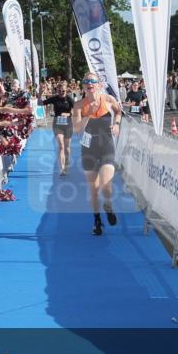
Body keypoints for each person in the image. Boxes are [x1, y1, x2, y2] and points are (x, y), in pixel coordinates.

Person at [72, 72, 123, 236]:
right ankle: (97, 220)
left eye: (93, 81)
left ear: (99, 85)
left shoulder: (108, 100)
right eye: (86, 81)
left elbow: (119, 112)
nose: (89, 83)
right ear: (83, 86)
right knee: (93, 189)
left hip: (106, 146)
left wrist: (116, 124)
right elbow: (77, 129)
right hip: (89, 149)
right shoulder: (79, 105)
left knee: (106, 184)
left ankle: (108, 206)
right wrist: (88, 113)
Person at [43, 81, 74, 176]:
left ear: (66, 90)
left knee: (67, 148)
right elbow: (41, 103)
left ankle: (67, 163)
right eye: (60, 91)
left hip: (68, 124)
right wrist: (40, 92)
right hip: (57, 124)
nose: (61, 92)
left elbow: (76, 112)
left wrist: (68, 114)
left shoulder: (70, 99)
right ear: (57, 91)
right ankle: (62, 169)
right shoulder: (54, 98)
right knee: (61, 146)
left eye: (63, 91)